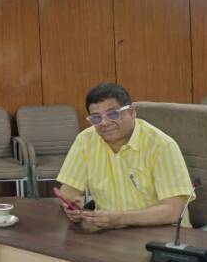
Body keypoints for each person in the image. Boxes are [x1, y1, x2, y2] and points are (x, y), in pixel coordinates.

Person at [56, 83, 195, 230]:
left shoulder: (162, 146)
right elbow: (68, 190)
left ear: (132, 112)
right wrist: (72, 205)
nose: (104, 123)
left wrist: (119, 219)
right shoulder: (85, 141)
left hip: (163, 232)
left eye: (113, 114)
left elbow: (173, 211)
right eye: (96, 118)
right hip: (109, 231)